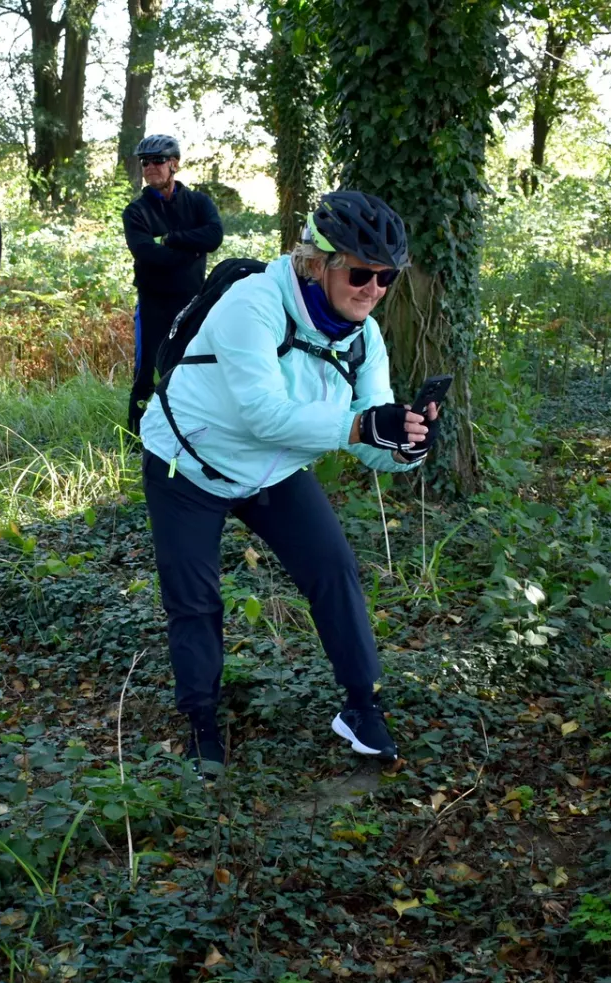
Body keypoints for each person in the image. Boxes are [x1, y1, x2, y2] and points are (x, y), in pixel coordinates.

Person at [137, 191, 436, 770]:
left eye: (386, 279)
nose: (372, 290)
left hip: (273, 468)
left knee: (335, 569)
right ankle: (201, 721)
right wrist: (362, 426)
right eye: (360, 273)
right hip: (189, 464)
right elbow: (264, 413)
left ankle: (360, 706)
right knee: (196, 599)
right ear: (317, 262)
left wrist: (405, 444)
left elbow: (369, 438)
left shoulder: (364, 337)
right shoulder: (253, 304)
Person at [121, 134, 223, 438]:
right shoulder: (136, 211)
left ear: (174, 164)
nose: (150, 166)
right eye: (145, 162)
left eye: (158, 160)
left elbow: (214, 236)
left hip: (193, 302)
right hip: (154, 303)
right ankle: (134, 440)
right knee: (146, 374)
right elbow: (146, 253)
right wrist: (192, 250)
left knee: (193, 367)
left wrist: (171, 239)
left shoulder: (198, 202)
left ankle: (188, 434)